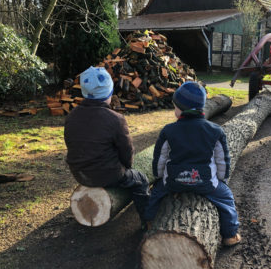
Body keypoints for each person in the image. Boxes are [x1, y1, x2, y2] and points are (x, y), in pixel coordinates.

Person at [145, 81, 241, 246]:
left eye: (175, 107)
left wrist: (159, 176)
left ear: (180, 109)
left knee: (154, 195)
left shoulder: (168, 130)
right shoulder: (215, 131)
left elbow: (160, 158)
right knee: (226, 199)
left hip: (173, 183)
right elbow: (221, 159)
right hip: (205, 183)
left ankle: (150, 223)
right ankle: (230, 235)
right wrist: (222, 178)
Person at [64, 66, 149, 225]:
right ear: (109, 93)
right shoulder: (115, 119)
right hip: (107, 174)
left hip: (79, 172)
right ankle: (147, 220)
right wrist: (127, 167)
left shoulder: (72, 116)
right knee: (141, 180)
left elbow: (71, 143)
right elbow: (126, 150)